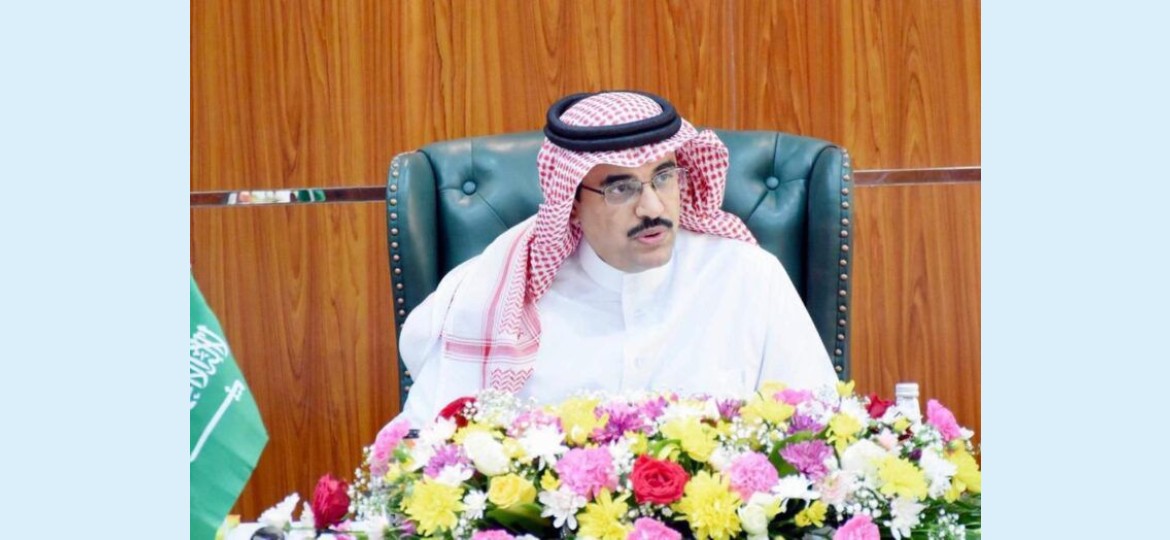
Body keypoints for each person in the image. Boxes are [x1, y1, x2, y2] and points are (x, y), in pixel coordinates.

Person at [395, 91, 836, 427]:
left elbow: (819, 432)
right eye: (620, 188)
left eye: (664, 177)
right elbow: (426, 448)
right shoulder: (500, 297)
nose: (652, 208)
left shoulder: (748, 277)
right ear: (572, 203)